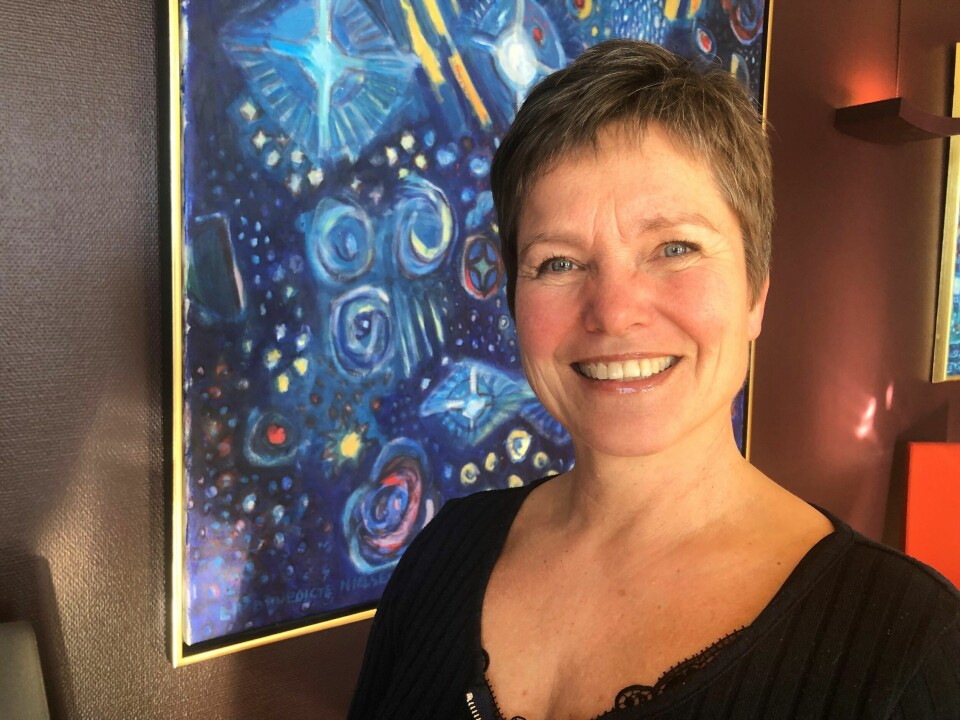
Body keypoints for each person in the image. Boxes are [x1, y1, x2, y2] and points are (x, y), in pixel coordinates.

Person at [348, 39, 960, 719]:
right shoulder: (442, 554)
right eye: (558, 263)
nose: (613, 312)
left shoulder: (913, 651)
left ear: (756, 290)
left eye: (674, 248)